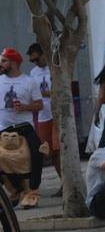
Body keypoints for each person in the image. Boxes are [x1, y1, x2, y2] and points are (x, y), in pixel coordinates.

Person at [0, 47, 44, 208]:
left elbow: (39, 105)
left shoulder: (28, 81)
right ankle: (14, 191)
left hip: (24, 127)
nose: (1, 64)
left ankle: (31, 192)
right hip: (3, 128)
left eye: (4, 61)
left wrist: (24, 107)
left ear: (13, 62)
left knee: (35, 155)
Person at [26, 43, 58, 179]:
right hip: (43, 115)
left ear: (44, 54)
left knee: (58, 149)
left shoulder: (54, 68)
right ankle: (63, 182)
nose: (35, 63)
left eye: (37, 59)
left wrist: (42, 93)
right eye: (32, 61)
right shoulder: (33, 73)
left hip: (56, 112)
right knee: (49, 152)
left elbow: (59, 90)